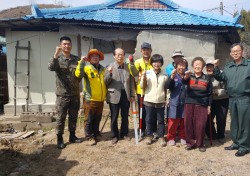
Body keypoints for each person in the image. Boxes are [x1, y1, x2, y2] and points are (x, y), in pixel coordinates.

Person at [213, 43, 250, 157]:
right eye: (233, 51)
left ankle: (244, 146)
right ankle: (236, 142)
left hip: (244, 98)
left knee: (244, 123)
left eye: (237, 51)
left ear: (242, 51)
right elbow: (221, 77)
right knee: (234, 122)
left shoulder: (248, 65)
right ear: (230, 53)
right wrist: (215, 68)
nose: (235, 53)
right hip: (232, 98)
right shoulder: (228, 67)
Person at [48, 36, 82, 149]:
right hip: (62, 95)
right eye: (64, 44)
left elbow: (80, 74)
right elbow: (51, 67)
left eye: (69, 44)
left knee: (73, 116)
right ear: (61, 45)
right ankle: (59, 138)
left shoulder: (76, 59)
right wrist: (55, 54)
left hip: (74, 94)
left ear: (71, 46)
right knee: (60, 118)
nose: (67, 46)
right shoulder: (57, 58)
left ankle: (72, 135)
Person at [75, 49, 106, 146]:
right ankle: (89, 136)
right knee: (89, 119)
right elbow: (78, 75)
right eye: (92, 56)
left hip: (100, 99)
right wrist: (81, 62)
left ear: (99, 58)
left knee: (97, 118)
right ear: (89, 58)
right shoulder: (86, 68)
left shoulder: (103, 69)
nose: (95, 57)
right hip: (90, 99)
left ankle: (96, 133)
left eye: (96, 56)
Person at [104, 48, 135, 144]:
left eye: (122, 54)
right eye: (118, 54)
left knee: (125, 116)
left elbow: (131, 83)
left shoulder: (127, 67)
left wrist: (132, 95)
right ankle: (114, 135)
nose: (120, 56)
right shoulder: (109, 67)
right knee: (114, 116)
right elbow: (105, 81)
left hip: (125, 95)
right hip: (114, 95)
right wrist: (109, 73)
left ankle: (124, 133)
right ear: (114, 56)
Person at [182, 57, 212, 152]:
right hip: (189, 102)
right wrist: (185, 77)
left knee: (200, 125)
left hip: (202, 103)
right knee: (188, 124)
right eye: (196, 64)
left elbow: (210, 93)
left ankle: (200, 143)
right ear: (193, 66)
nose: (197, 66)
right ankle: (190, 143)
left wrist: (209, 106)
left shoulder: (207, 78)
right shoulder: (189, 76)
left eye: (199, 64)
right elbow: (184, 81)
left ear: (203, 66)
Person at [129, 42, 157, 138]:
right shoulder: (137, 62)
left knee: (152, 111)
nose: (146, 51)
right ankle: (142, 129)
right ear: (141, 51)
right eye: (144, 49)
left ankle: (153, 129)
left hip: (152, 90)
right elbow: (134, 74)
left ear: (151, 51)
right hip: (141, 91)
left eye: (148, 49)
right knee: (142, 111)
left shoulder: (154, 62)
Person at [140, 54, 168, 147]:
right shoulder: (147, 73)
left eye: (159, 62)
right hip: (149, 100)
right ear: (152, 63)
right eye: (155, 62)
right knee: (148, 120)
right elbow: (142, 86)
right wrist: (143, 77)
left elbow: (166, 89)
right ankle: (149, 135)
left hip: (160, 101)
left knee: (160, 120)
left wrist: (166, 99)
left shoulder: (164, 75)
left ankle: (161, 136)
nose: (157, 64)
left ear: (161, 63)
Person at [204, 59, 229, 143]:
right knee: (207, 119)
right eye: (208, 67)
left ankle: (221, 135)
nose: (209, 69)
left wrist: (216, 92)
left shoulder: (220, 74)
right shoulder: (204, 76)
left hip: (221, 100)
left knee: (221, 119)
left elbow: (227, 90)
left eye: (211, 66)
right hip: (210, 102)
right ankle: (212, 135)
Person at [165, 59, 188, 146]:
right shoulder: (173, 75)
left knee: (183, 120)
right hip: (174, 101)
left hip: (185, 101)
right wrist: (171, 77)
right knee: (173, 120)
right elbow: (167, 86)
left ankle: (183, 136)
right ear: (176, 66)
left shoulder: (187, 76)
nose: (181, 67)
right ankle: (171, 137)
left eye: (183, 65)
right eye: (180, 65)